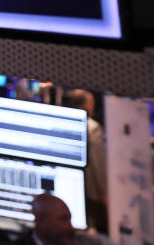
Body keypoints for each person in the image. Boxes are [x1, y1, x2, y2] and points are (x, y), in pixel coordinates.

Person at [62, 89, 107, 232]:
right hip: (90, 188)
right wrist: (103, 192)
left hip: (67, 185)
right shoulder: (93, 128)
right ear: (86, 105)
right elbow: (98, 163)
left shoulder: (63, 121)